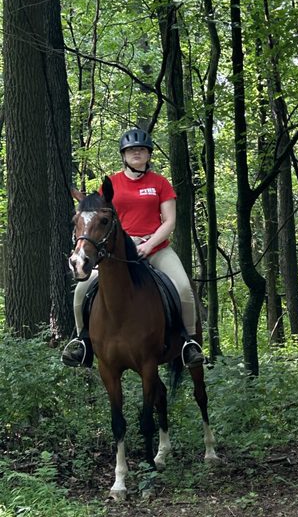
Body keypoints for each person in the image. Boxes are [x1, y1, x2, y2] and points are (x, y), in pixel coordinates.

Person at [62, 127, 205, 369]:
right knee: (81, 289)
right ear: (124, 155)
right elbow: (93, 216)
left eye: (141, 149)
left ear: (149, 154)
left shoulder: (160, 183)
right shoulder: (111, 184)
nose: (136, 153)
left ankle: (188, 343)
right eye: (131, 150)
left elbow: (169, 221)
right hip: (117, 252)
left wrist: (149, 245)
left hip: (156, 247)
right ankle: (82, 342)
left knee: (183, 287)